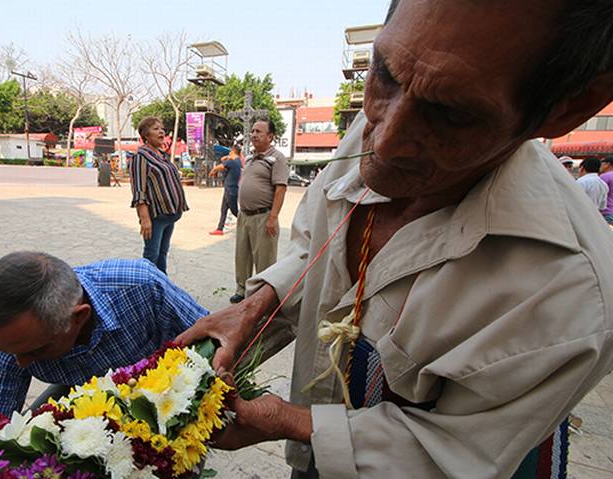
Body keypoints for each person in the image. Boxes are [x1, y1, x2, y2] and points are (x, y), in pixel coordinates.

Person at [177, 0, 613, 477]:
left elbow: (448, 455)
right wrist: (254, 308)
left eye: (448, 114)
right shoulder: (380, 120)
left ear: (566, 109)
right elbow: (315, 249)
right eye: (383, 74)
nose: (382, 144)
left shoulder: (574, 292)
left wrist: (289, 421)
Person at [0, 251, 208, 440]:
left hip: (160, 391)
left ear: (79, 317)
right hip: (82, 392)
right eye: (10, 353)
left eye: (35, 352)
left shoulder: (142, 287)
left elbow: (214, 345)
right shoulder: (17, 340)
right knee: (31, 439)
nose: (20, 363)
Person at [229, 119, 288, 304]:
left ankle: (262, 296)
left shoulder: (277, 158)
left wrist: (273, 217)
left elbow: (280, 188)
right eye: (252, 131)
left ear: (270, 137)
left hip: (264, 216)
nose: (253, 134)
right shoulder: (251, 157)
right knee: (242, 256)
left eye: (259, 132)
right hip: (244, 215)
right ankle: (242, 290)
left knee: (264, 259)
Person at [130, 117, 189, 274]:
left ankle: (162, 286)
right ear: (146, 135)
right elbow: (139, 189)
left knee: (162, 254)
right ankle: (147, 290)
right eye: (156, 129)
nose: (161, 131)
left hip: (170, 215)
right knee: (151, 256)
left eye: (162, 128)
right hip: (156, 217)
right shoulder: (140, 157)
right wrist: (145, 219)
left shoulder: (162, 155)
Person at [209, 144, 243, 236]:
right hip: (230, 188)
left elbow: (218, 167)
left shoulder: (232, 162)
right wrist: (228, 156)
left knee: (234, 211)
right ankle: (220, 228)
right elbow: (223, 159)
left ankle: (248, 224)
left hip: (231, 189)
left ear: (232, 151)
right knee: (223, 209)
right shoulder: (237, 161)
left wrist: (212, 171)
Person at [599, 156, 613, 224]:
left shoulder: (604, 176)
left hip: (607, 212)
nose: (600, 166)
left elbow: (600, 194)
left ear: (607, 164)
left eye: (602, 163)